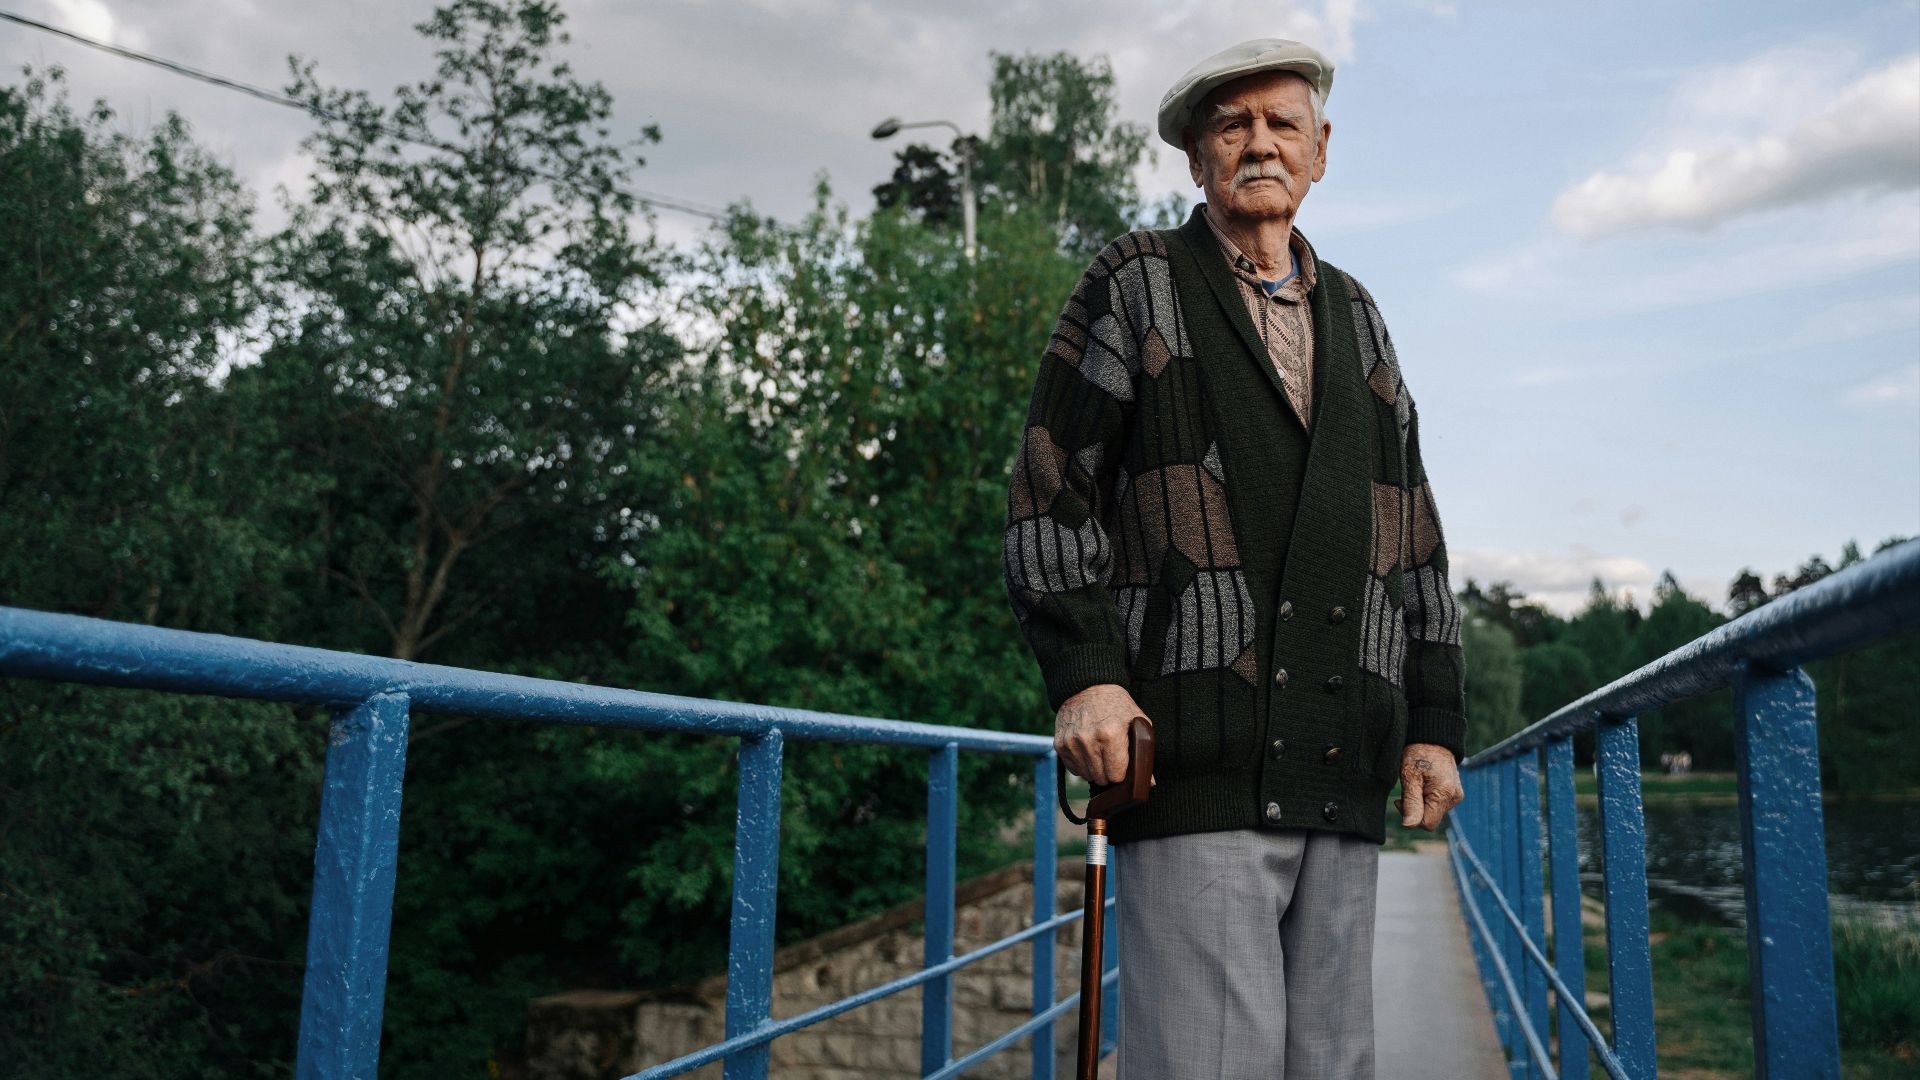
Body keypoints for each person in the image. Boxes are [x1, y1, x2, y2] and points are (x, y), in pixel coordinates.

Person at [1000, 38, 1469, 1079]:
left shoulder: (1361, 318)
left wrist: (1435, 728)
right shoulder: (1136, 283)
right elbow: (1049, 488)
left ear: (1321, 150)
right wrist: (1086, 676)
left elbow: (1416, 538)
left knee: (1333, 1067)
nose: (1259, 143)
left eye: (1281, 123)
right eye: (1231, 125)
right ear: (1196, 156)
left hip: (1343, 773)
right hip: (1200, 765)